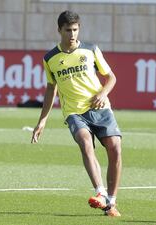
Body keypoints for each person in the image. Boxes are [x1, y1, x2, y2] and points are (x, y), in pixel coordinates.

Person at [31, 10, 122, 217]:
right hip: (74, 112)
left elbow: (111, 77)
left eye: (75, 29)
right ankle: (100, 192)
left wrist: (103, 92)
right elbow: (50, 88)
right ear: (59, 30)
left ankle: (111, 202)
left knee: (115, 148)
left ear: (79, 29)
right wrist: (42, 121)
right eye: (68, 30)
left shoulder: (91, 49)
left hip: (100, 107)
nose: (72, 34)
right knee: (85, 142)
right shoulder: (50, 58)